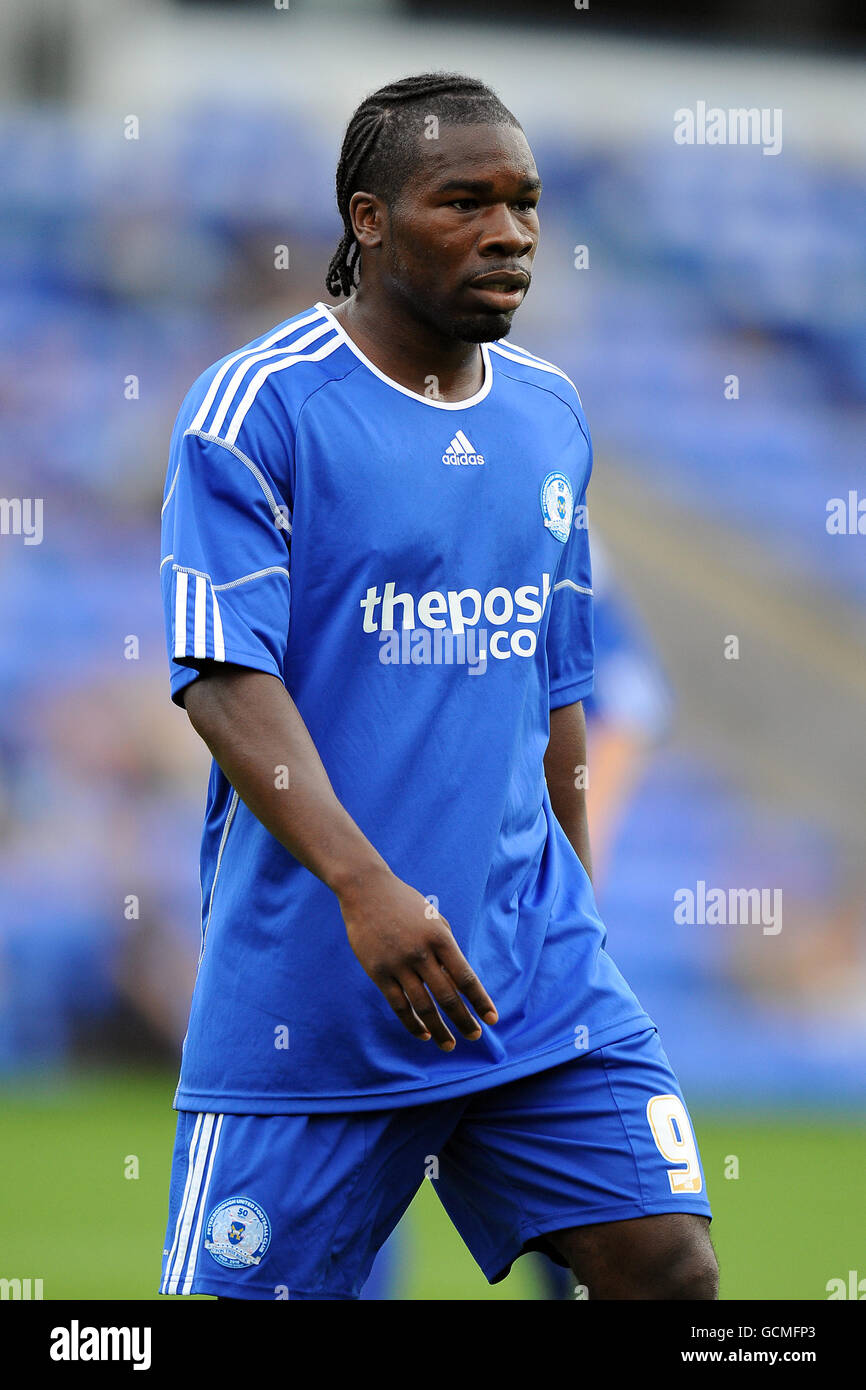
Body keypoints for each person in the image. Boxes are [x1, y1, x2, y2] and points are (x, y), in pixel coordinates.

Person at [158, 73, 717, 1301]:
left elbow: (557, 682)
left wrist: (575, 905)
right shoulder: (259, 406)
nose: (507, 232)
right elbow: (219, 675)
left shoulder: (549, 413)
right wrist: (366, 891)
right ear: (367, 219)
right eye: (463, 201)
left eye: (522, 203)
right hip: (323, 991)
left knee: (666, 1269)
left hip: (535, 973)